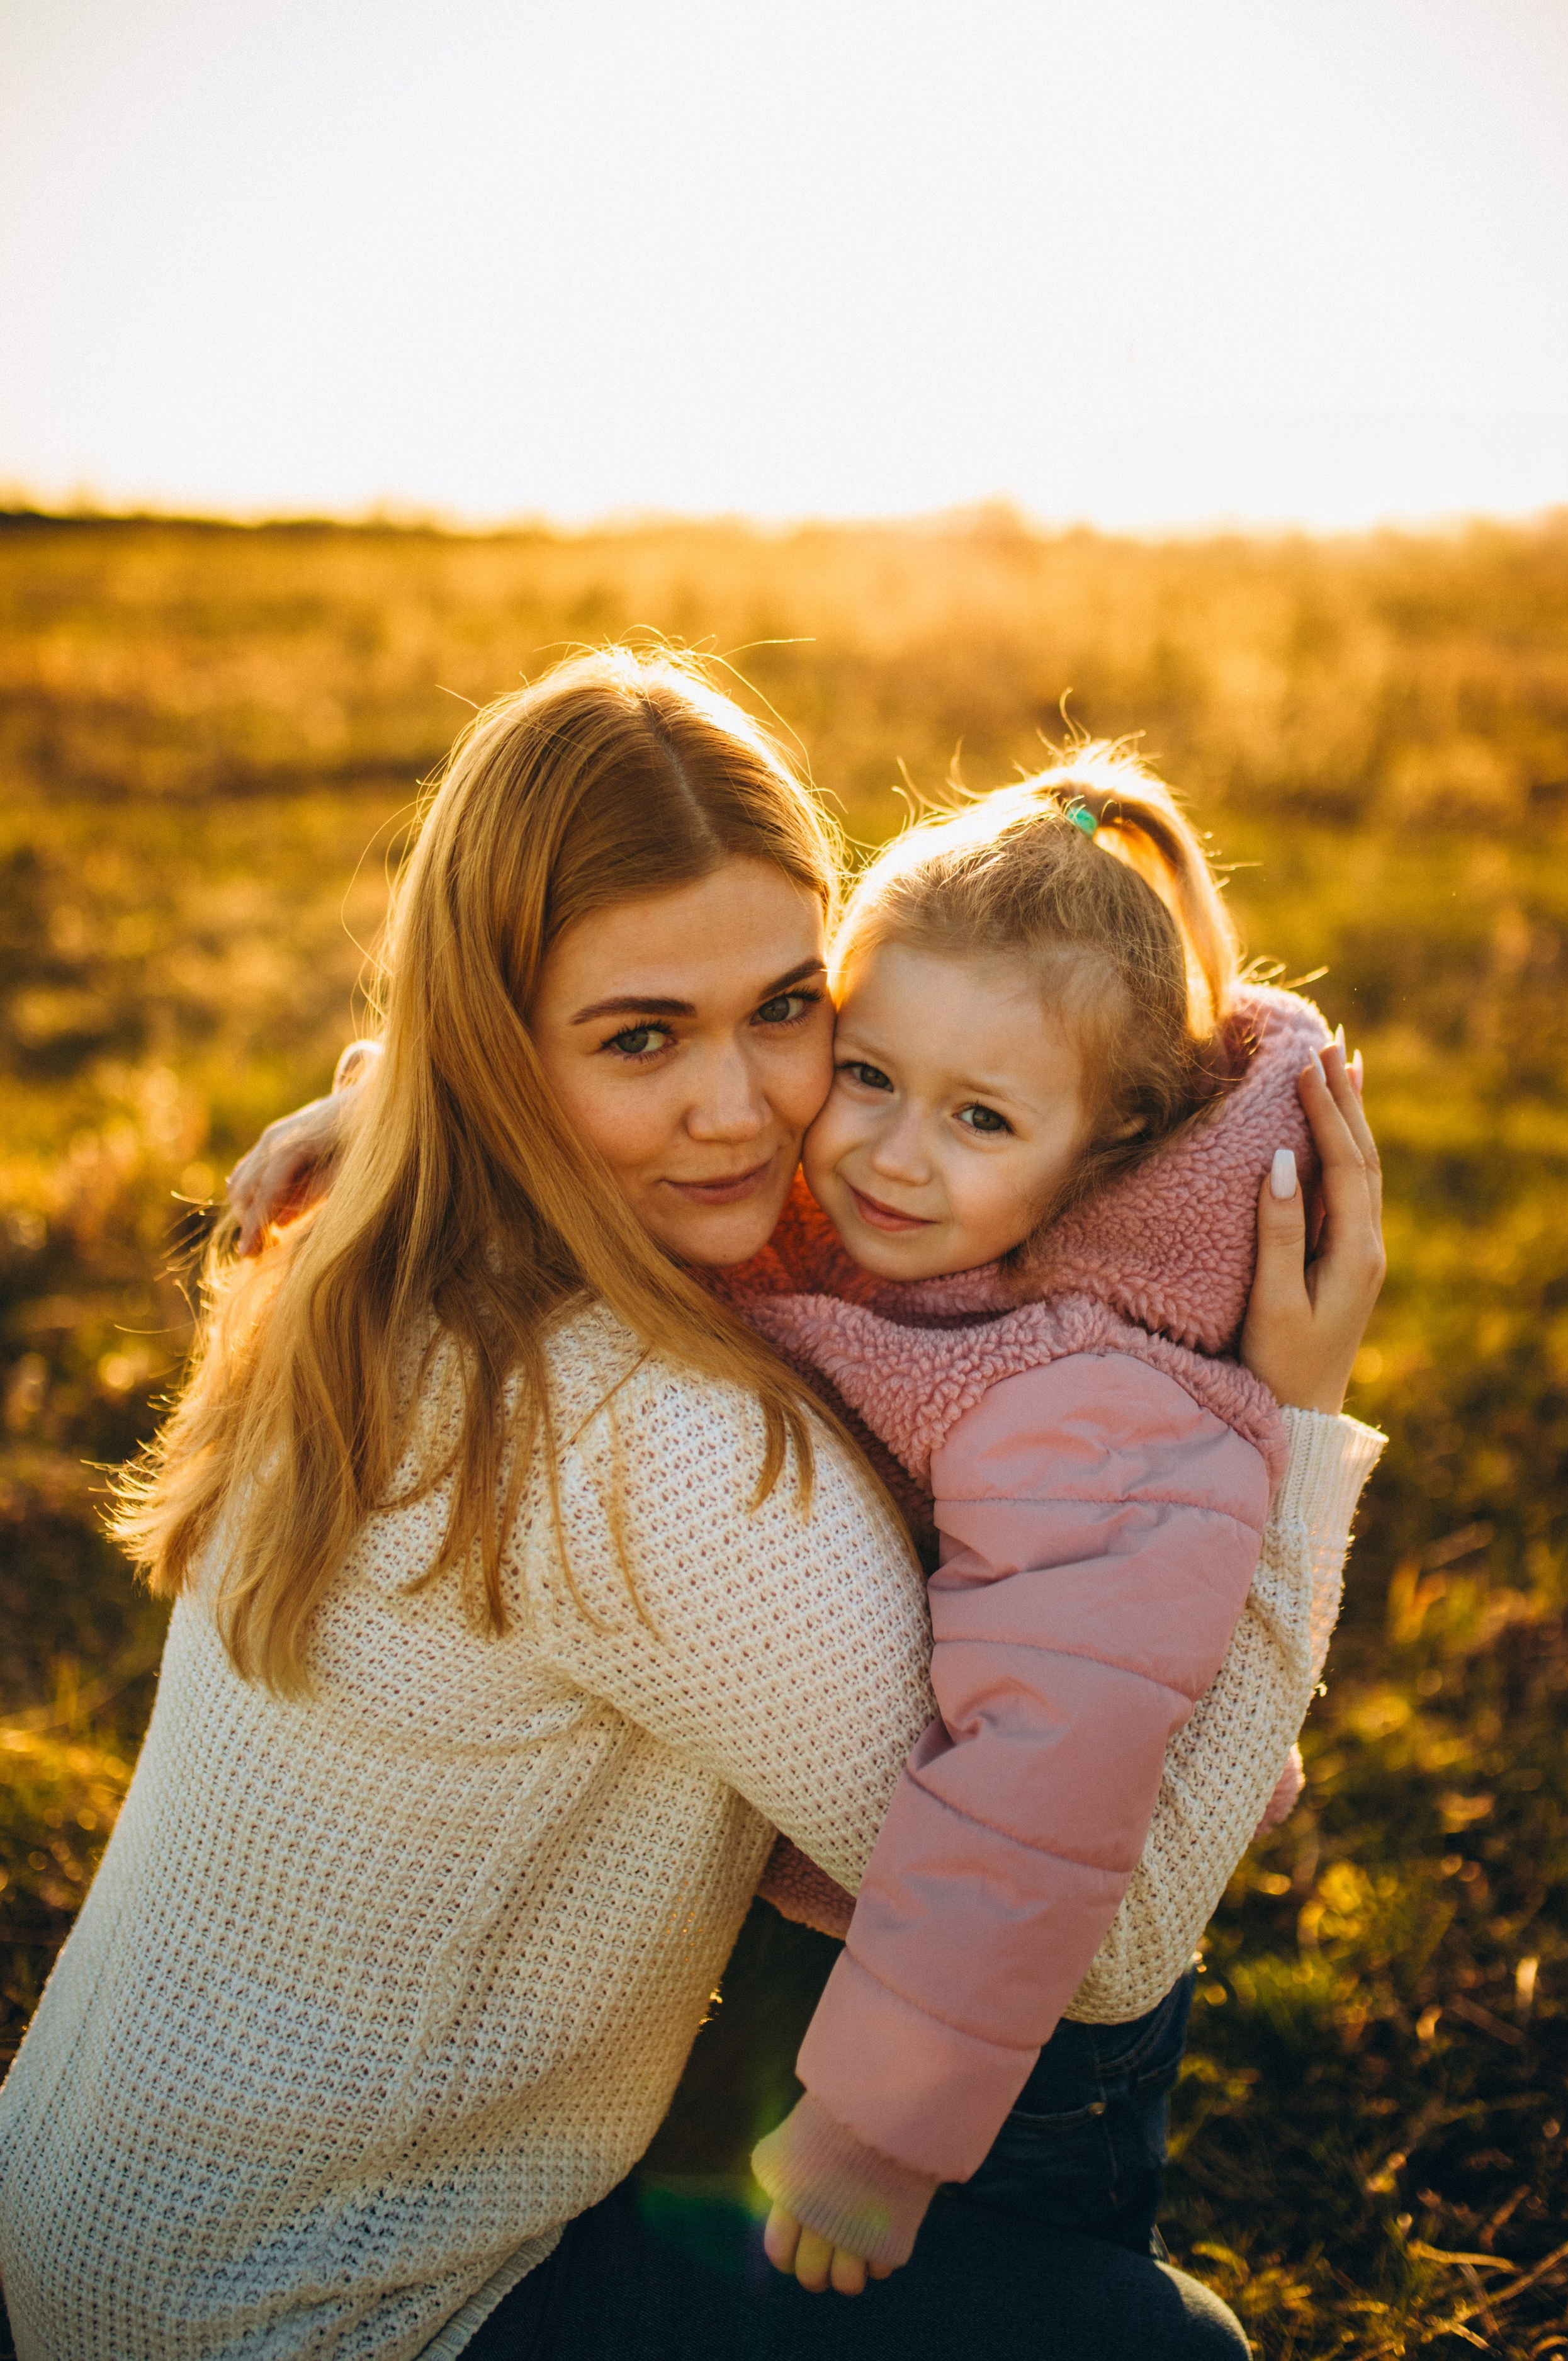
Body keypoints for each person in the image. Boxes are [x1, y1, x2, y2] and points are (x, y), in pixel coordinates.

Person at [0, 650, 1382, 2361]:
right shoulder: (660, 1451)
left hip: (85, 2228)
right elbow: (1119, 1928)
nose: (742, 1113)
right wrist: (1288, 1429)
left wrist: (370, 1106)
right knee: (1160, 2352)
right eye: (642, 1036)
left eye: (786, 1009)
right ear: (493, 1049)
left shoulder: (396, 1250)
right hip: (320, 2319)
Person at [687, 749, 1385, 2287]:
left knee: (980, 2304)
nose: (890, 1152)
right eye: (868, 1076)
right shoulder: (914, 1249)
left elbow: (1038, 1789)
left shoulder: (1088, 1408)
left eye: (981, 1119)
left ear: (1107, 1151)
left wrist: (879, 2130)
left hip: (1007, 2067)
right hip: (880, 1959)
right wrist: (380, 1117)